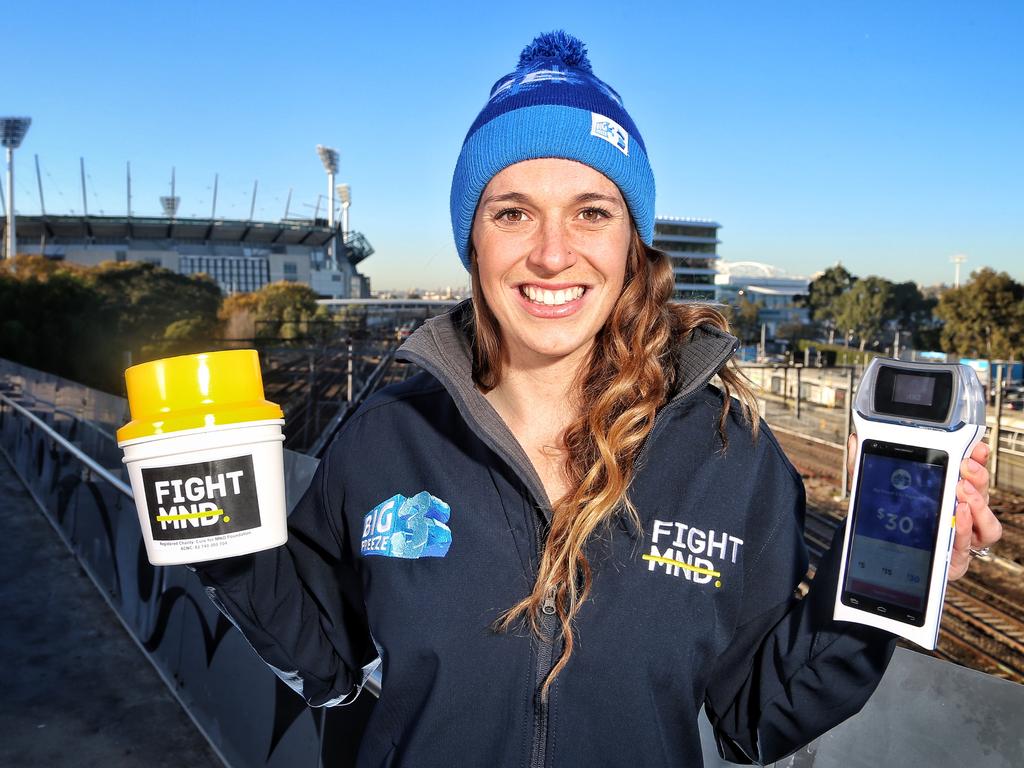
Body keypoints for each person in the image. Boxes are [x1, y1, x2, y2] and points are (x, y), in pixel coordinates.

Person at [195, 31, 1001, 766]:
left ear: (630, 243)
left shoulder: (732, 456)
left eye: (591, 212)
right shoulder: (385, 438)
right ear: (473, 241)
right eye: (513, 212)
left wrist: (886, 577)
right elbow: (327, 667)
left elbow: (759, 715)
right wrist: (219, 535)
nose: (553, 253)